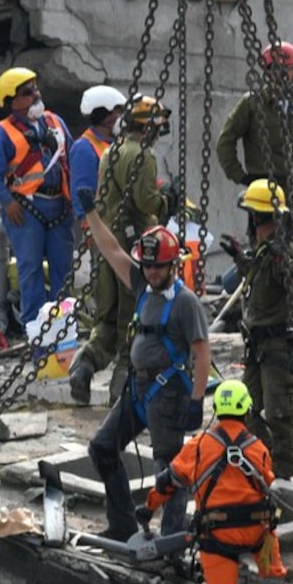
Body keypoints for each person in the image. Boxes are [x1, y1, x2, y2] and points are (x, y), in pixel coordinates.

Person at [78, 189, 211, 541]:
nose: (151, 272)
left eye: (158, 266)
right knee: (103, 448)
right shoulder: (141, 285)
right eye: (148, 265)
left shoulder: (185, 303)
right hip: (136, 390)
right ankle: (122, 523)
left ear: (173, 265)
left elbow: (202, 353)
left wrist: (197, 401)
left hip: (167, 393)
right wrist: (91, 211)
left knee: (169, 469)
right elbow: (111, 250)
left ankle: (171, 538)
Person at [140, 379, 285, 584]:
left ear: (217, 409)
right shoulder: (257, 447)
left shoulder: (198, 446)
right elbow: (269, 482)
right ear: (247, 409)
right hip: (258, 534)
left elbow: (168, 482)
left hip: (217, 536)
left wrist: (149, 507)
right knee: (272, 559)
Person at [70, 96, 174, 405]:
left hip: (107, 245)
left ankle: (85, 366)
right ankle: (122, 393)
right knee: (133, 318)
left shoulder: (109, 152)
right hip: (131, 248)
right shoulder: (142, 154)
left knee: (107, 319)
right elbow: (144, 201)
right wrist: (167, 201)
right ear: (148, 127)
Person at [0, 66, 75, 326]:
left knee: (62, 268)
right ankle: (35, 327)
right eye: (27, 91)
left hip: (60, 207)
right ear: (12, 102)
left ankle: (62, 324)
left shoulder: (55, 122)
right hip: (25, 211)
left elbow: (72, 157)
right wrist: (8, 202)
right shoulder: (2, 134)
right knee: (30, 267)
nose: (35, 94)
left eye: (35, 87)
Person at [216, 41, 293, 259]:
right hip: (266, 190)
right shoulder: (252, 104)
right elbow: (225, 142)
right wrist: (242, 177)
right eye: (292, 68)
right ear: (276, 71)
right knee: (266, 253)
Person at [226, 179, 293, 479]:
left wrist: (283, 260)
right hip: (256, 345)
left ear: (258, 217)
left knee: (279, 414)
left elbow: (292, 283)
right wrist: (240, 259)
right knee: (246, 410)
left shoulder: (282, 251)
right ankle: (262, 459)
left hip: (276, 345)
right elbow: (257, 278)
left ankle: (283, 474)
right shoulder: (260, 251)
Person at [69, 84, 127, 227]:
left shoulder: (116, 143)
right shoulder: (84, 148)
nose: (121, 118)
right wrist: (88, 224)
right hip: (101, 223)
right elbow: (81, 190)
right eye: (117, 112)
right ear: (104, 116)